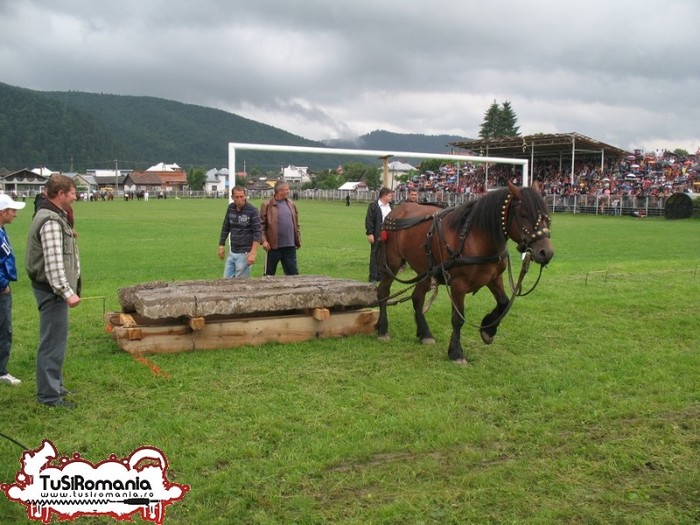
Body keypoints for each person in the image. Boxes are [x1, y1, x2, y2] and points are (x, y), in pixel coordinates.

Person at [25, 175, 81, 408]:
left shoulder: (54, 216)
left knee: (56, 341)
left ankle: (54, 385)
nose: (75, 196)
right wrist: (67, 292)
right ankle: (49, 397)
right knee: (51, 344)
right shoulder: (50, 221)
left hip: (53, 291)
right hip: (52, 292)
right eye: (73, 192)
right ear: (61, 194)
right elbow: (53, 263)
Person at [0, 194, 26, 387]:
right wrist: (3, 285)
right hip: (1, 291)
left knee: (4, 330)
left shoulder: (2, 230)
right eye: (12, 210)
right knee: (4, 330)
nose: (15, 214)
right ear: (2, 212)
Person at [218, 186, 261, 278]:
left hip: (245, 253)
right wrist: (221, 245)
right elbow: (226, 226)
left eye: (242, 196)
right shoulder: (231, 208)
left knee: (240, 283)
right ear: (232, 197)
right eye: (237, 197)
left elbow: (257, 233)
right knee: (226, 280)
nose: (240, 199)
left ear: (245, 196)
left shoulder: (252, 211)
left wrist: (252, 253)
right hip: (232, 251)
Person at [260, 181, 301, 276]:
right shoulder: (266, 205)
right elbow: (261, 225)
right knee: (269, 275)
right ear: (279, 191)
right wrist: (264, 241)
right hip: (273, 246)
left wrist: (297, 239)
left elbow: (296, 224)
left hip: (290, 246)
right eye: (286, 189)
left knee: (293, 274)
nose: (288, 191)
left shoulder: (291, 204)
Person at [365, 187, 394, 283]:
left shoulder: (391, 206)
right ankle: (373, 276)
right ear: (384, 196)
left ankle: (380, 275)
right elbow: (369, 221)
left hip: (388, 234)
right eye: (390, 195)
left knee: (384, 255)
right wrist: (370, 233)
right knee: (375, 254)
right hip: (377, 233)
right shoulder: (373, 206)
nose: (391, 197)